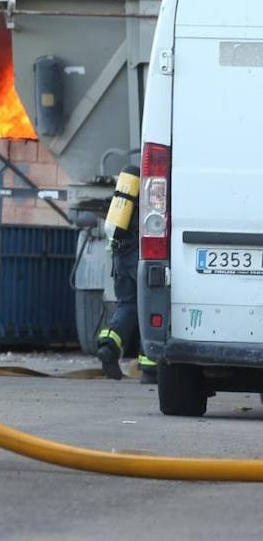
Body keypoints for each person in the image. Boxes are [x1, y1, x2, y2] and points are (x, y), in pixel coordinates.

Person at [97, 165, 156, 384]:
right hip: (139, 258)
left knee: (127, 306)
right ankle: (150, 367)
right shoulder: (155, 189)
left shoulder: (126, 196)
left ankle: (108, 345)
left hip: (120, 256)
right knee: (151, 307)